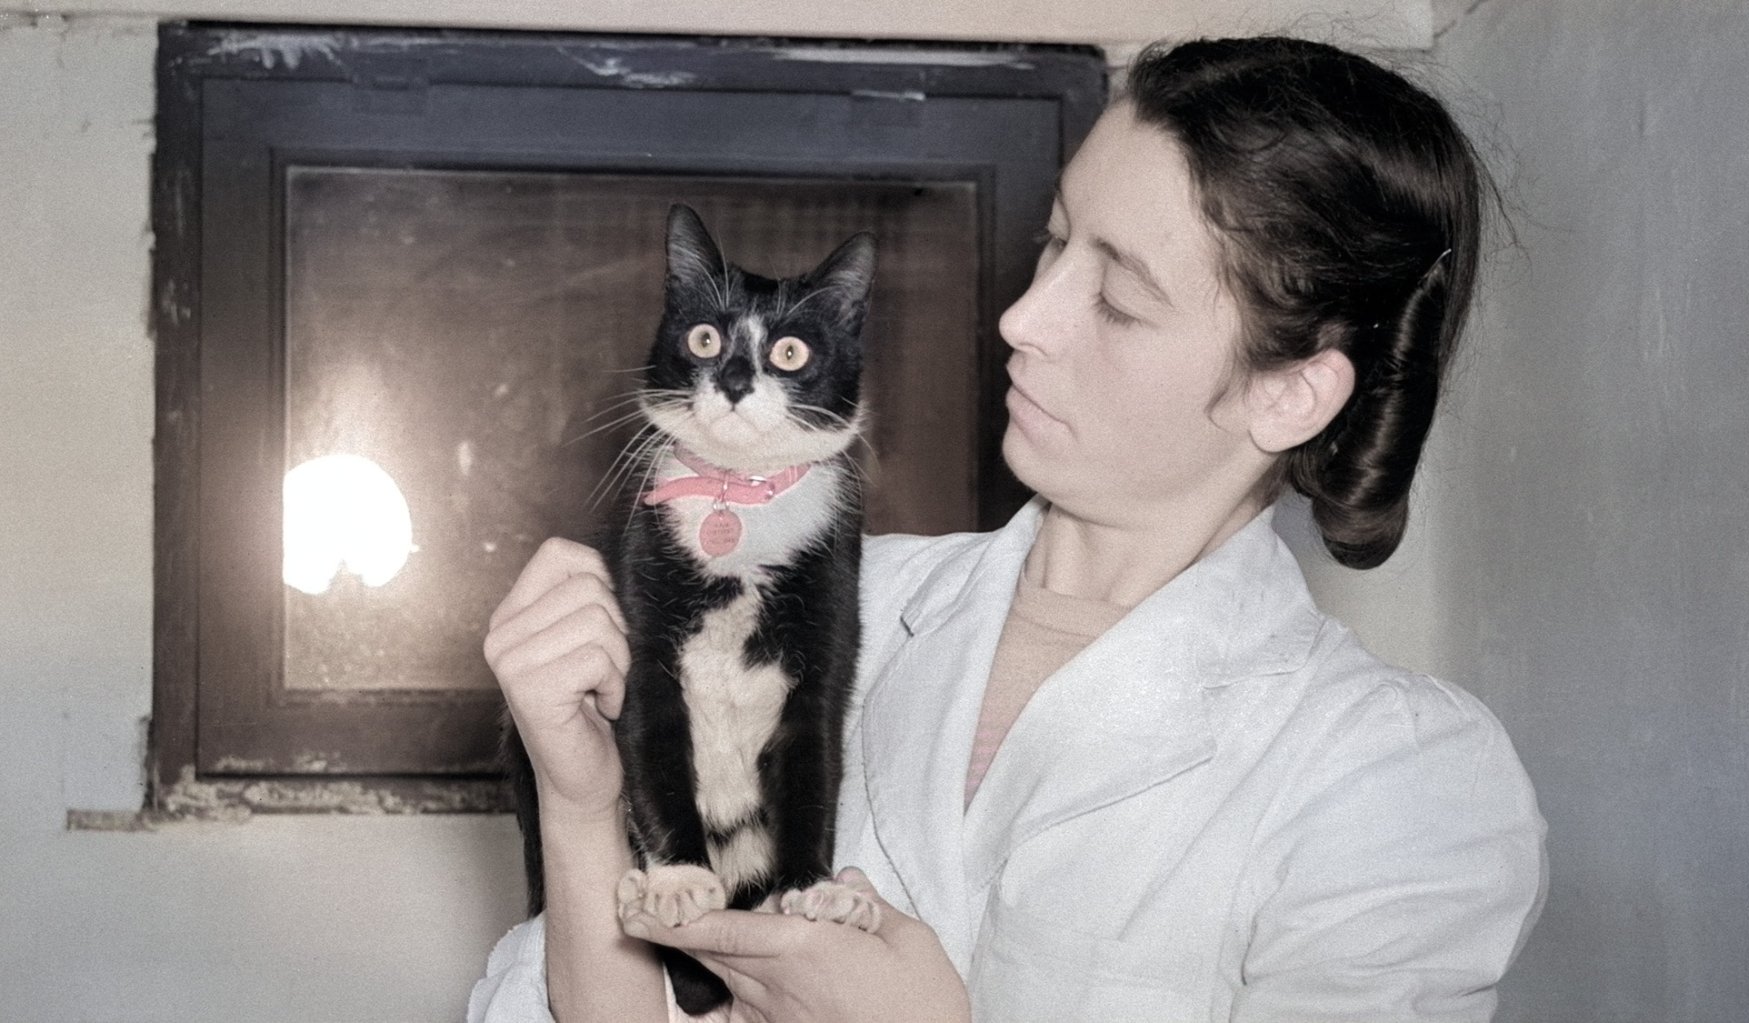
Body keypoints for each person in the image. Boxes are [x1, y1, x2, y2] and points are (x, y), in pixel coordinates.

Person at [469, 36, 1547, 1023]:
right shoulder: (846, 603)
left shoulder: (1395, 781)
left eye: (1118, 299)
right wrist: (583, 800)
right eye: (1054, 243)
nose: (1020, 320)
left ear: (1290, 396)